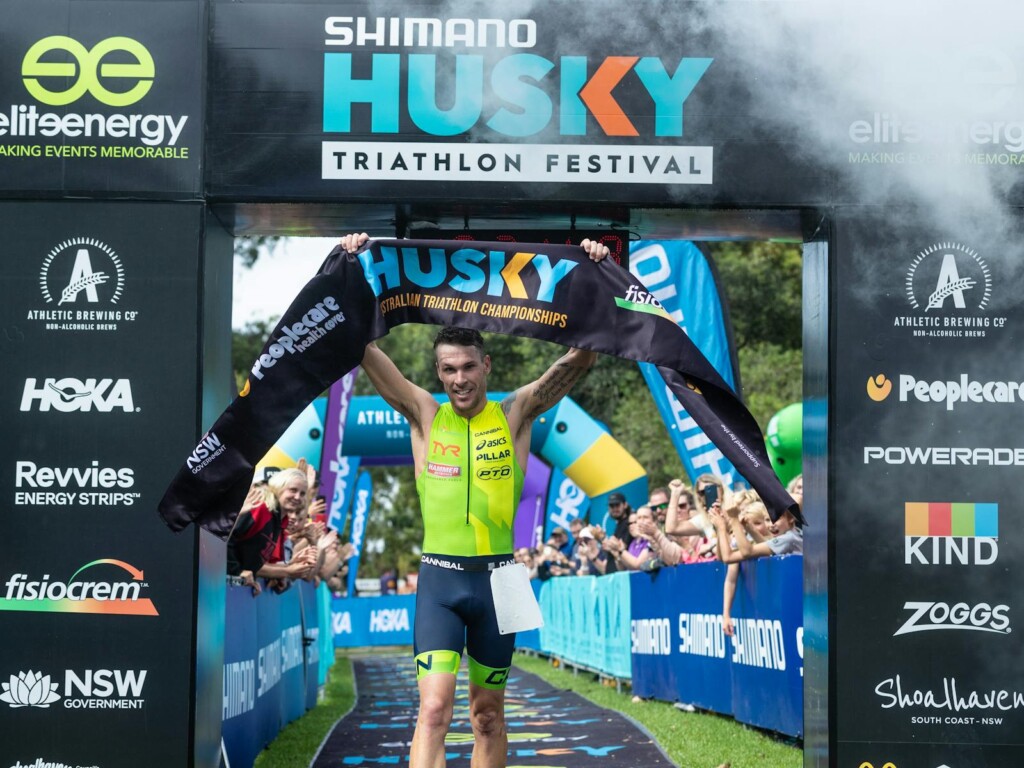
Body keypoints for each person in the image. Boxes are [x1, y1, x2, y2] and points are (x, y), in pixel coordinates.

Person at [341, 231, 609, 768]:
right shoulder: (425, 413)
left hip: (501, 581)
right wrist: (351, 269)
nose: (459, 379)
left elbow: (580, 357)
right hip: (440, 580)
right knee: (433, 710)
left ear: (486, 365)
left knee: (488, 715)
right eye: (449, 369)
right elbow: (362, 347)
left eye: (468, 367)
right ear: (438, 373)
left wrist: (595, 272)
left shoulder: (515, 413)